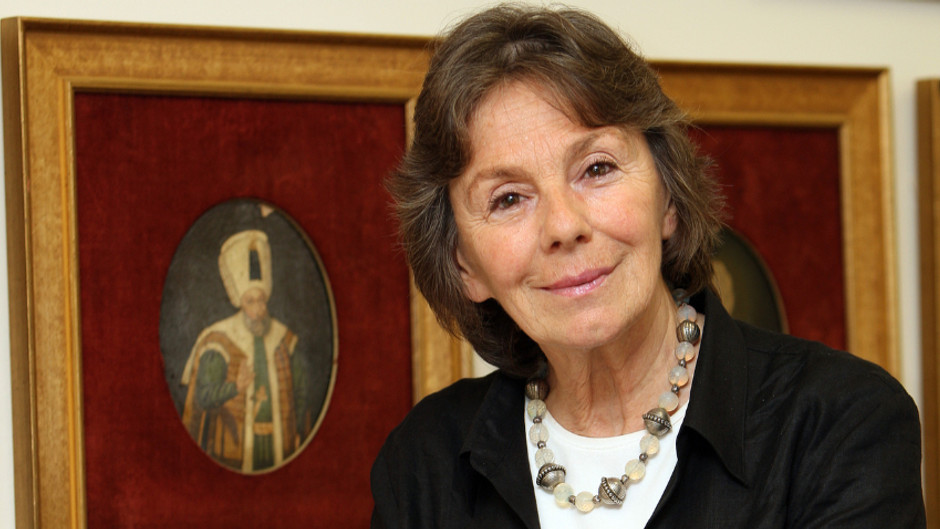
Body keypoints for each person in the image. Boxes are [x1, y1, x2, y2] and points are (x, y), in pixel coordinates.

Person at [371, 4, 925, 528]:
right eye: (508, 199)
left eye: (597, 168)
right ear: (464, 265)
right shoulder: (423, 464)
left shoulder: (839, 422)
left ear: (668, 199)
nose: (564, 226)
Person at [181, 229, 307, 473]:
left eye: (262, 300)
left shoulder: (285, 339)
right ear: (240, 302)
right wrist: (235, 387)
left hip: (280, 449)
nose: (258, 309)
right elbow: (202, 397)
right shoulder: (218, 340)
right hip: (231, 451)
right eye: (251, 301)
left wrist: (298, 431)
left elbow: (300, 395)